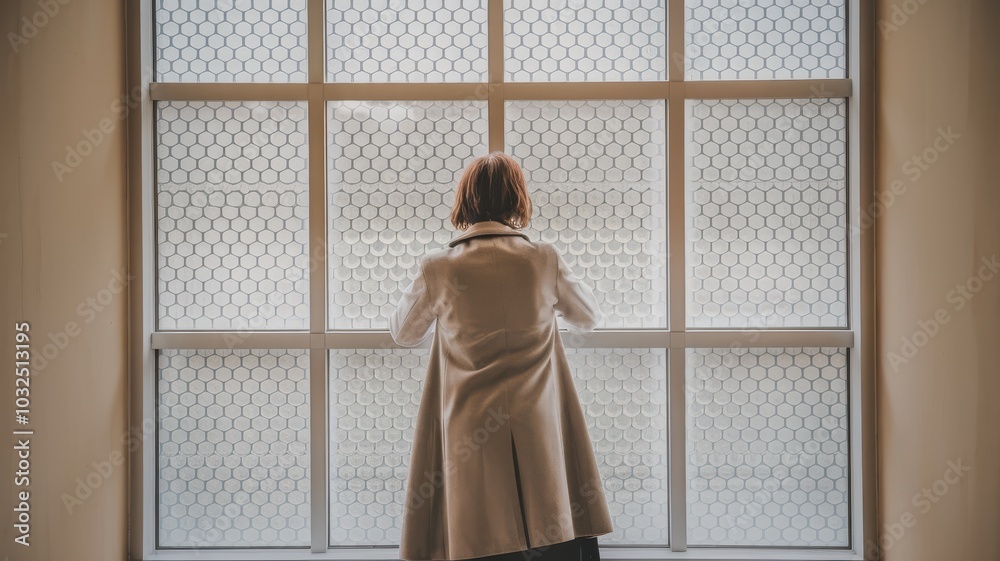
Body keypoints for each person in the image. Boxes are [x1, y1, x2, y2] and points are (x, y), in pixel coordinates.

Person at [390, 152, 614, 561]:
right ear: (517, 199)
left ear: (465, 200)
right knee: (550, 525)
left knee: (477, 536)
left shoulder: (438, 267)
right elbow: (588, 317)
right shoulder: (542, 259)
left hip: (468, 427)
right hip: (537, 420)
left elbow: (404, 334)